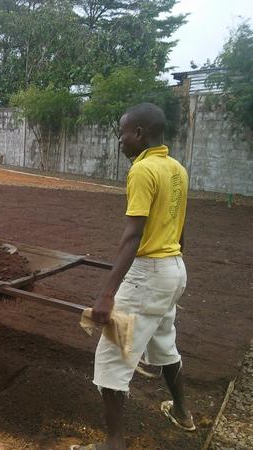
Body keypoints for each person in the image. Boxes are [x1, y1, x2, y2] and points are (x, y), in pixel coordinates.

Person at [72, 103, 194, 450]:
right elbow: (180, 226)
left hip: (148, 273)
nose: (120, 140)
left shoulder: (142, 171)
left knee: (111, 357)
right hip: (173, 268)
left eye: (123, 133)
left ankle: (113, 444)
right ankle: (182, 412)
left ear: (139, 133)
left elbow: (132, 236)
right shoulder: (176, 169)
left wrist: (107, 294)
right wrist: (172, 261)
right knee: (163, 341)